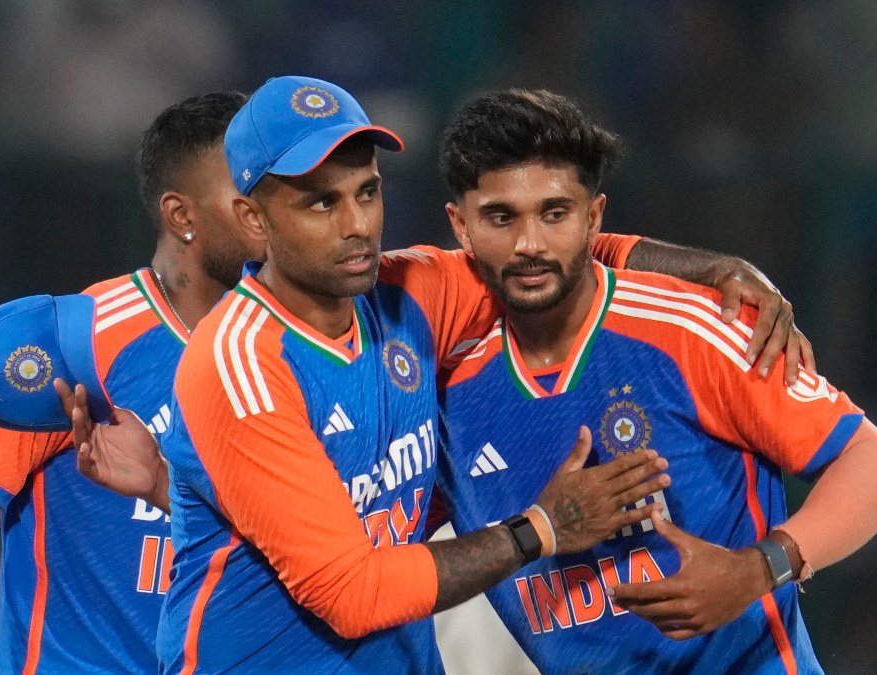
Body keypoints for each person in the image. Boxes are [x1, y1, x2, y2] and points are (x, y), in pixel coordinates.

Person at [48, 75, 811, 674]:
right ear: (254, 220)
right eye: (320, 203)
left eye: (368, 192)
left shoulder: (408, 294)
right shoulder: (239, 364)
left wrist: (716, 269)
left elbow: (546, 252)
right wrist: (544, 527)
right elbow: (349, 595)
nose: (356, 225)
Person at [433, 88, 877, 673]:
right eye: (501, 217)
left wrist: (758, 569)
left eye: (554, 213)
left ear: (594, 216)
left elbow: (876, 467)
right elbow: (376, 564)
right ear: (461, 226)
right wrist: (537, 529)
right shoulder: (448, 398)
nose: (530, 244)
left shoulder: (692, 327)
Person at [0, 91, 264, 675]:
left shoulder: (292, 345)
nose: (264, 208)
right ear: (181, 216)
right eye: (245, 191)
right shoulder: (75, 345)